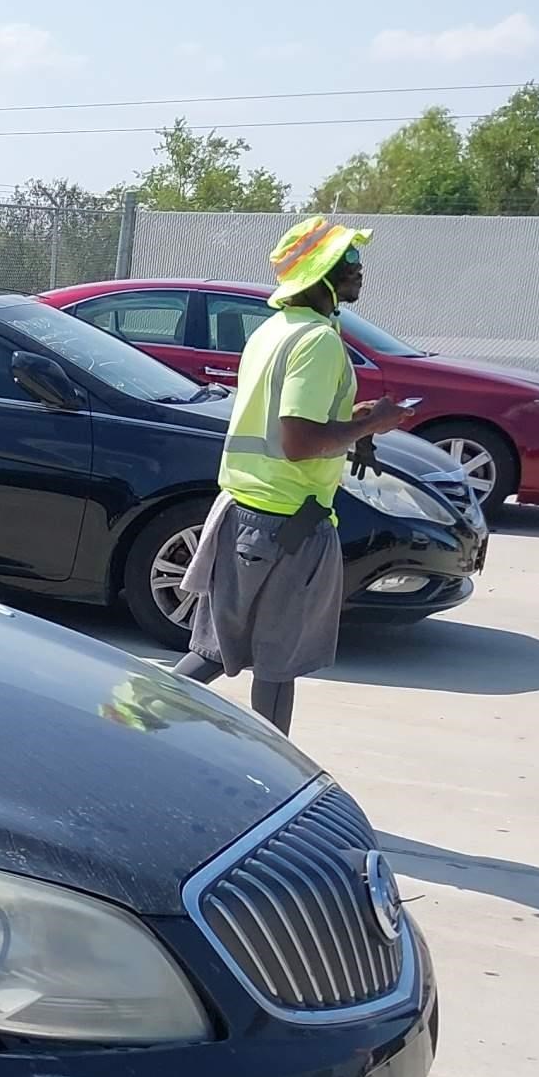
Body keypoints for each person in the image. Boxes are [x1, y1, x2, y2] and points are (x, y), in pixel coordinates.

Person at [168, 217, 418, 735]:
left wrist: (354, 422)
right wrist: (376, 422)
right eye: (349, 261)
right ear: (322, 272)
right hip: (289, 523)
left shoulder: (274, 331)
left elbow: (288, 421)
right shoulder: (318, 342)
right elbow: (299, 442)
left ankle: (135, 723)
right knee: (278, 666)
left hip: (243, 514)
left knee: (215, 651)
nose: (359, 270)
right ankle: (275, 780)